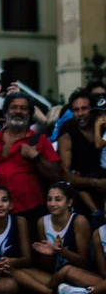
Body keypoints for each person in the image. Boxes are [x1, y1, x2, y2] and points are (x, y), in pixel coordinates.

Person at [0, 92, 62, 243]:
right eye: (14, 107)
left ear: (30, 114)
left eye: (23, 108)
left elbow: (57, 175)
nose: (18, 111)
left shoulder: (39, 140)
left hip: (30, 214)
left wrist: (36, 156)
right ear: (5, 112)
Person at [12, 182, 100, 293]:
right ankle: (57, 290)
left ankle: (52, 290)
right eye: (49, 199)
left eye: (58, 199)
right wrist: (48, 255)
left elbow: (84, 261)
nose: (52, 204)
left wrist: (62, 251)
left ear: (69, 202)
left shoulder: (79, 221)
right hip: (55, 275)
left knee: (68, 271)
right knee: (16, 272)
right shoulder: (42, 222)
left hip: (77, 274)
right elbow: (46, 266)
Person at [59, 89, 104, 223]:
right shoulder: (67, 132)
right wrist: (95, 183)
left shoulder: (102, 125)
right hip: (83, 193)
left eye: (84, 109)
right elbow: (65, 174)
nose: (80, 114)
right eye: (76, 110)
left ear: (92, 109)